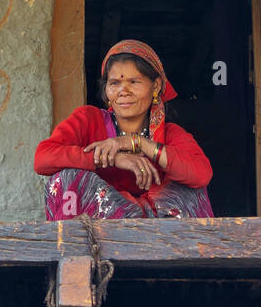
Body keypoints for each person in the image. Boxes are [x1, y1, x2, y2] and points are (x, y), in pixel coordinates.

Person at [35, 39, 213, 219]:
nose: (123, 91)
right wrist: (113, 158)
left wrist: (137, 143)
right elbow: (43, 158)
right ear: (106, 90)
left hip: (156, 230)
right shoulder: (89, 119)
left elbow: (202, 174)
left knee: (190, 183)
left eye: (134, 82)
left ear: (156, 86)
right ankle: (72, 245)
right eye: (114, 83)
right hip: (102, 233)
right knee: (66, 178)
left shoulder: (170, 133)